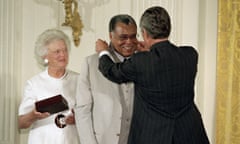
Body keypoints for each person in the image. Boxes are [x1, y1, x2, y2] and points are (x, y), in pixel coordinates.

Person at [95, 6, 210, 144]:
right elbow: (164, 66)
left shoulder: (141, 61)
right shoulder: (190, 55)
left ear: (145, 33)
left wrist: (103, 52)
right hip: (189, 134)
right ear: (169, 28)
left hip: (153, 136)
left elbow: (112, 71)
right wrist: (149, 51)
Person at [74, 14, 138, 144]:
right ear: (110, 36)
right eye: (123, 37)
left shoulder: (144, 62)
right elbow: (82, 111)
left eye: (133, 36)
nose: (129, 42)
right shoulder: (91, 63)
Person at [18, 29, 80, 144]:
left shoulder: (79, 80)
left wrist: (77, 119)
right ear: (45, 56)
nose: (63, 55)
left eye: (65, 50)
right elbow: (21, 123)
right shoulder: (34, 83)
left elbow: (90, 115)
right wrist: (33, 115)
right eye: (57, 51)